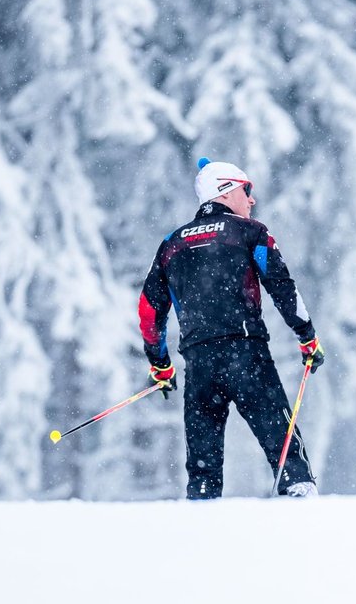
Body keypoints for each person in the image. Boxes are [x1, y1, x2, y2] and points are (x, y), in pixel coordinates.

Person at [138, 158, 325, 499]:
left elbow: (150, 312)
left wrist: (160, 364)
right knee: (286, 455)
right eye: (246, 190)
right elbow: (282, 285)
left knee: (203, 473)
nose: (251, 200)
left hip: (199, 365)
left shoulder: (171, 243)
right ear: (224, 190)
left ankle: (201, 531)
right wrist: (307, 336)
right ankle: (301, 510)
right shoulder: (250, 232)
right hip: (246, 355)